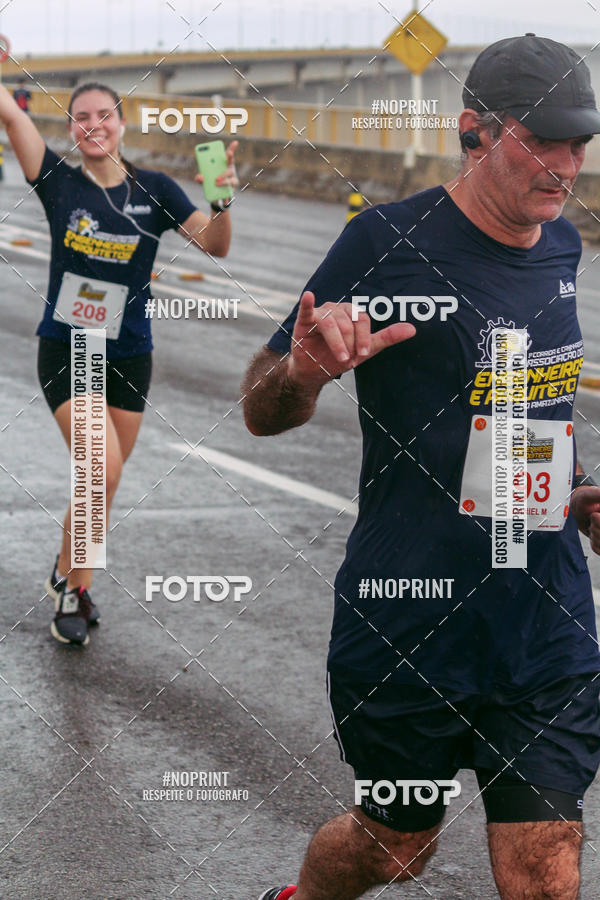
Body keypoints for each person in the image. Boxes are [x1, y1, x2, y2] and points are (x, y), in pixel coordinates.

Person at [244, 35, 600, 900]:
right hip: (410, 619)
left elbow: (536, 408)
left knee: (545, 866)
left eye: (580, 141)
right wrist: (305, 373)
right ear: (473, 132)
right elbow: (260, 406)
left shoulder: (561, 246)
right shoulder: (384, 243)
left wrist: (582, 492)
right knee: (393, 848)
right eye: (543, 140)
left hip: (541, 617)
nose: (566, 164)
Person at [0, 80, 238, 646]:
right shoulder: (58, 183)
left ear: (121, 123)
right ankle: (71, 591)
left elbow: (217, 246)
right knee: (100, 470)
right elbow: (9, 114)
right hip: (70, 347)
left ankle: (70, 581)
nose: (92, 125)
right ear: (70, 128)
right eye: (81, 117)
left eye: (103, 115)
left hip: (129, 353)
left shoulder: (154, 189)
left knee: (99, 484)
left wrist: (221, 198)